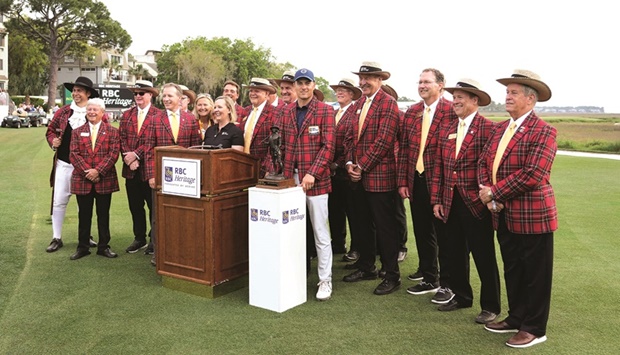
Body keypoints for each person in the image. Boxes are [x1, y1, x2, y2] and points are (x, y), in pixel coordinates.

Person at [478, 69, 557, 348]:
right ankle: (516, 317)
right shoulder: (500, 129)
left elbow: (533, 173)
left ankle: (535, 328)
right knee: (513, 269)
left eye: (513, 93)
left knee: (535, 274)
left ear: (530, 98)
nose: (507, 97)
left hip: (533, 215)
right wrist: (488, 192)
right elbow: (484, 163)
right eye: (507, 92)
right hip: (504, 212)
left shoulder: (544, 131)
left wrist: (493, 192)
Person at [428, 78, 501, 323]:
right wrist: (437, 199)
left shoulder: (489, 128)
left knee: (483, 255)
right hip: (449, 202)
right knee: (454, 253)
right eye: (454, 97)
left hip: (476, 203)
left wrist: (487, 194)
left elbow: (491, 167)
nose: (455, 101)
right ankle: (461, 297)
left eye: (460, 97)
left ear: (474, 101)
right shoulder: (447, 128)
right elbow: (439, 167)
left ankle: (490, 306)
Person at [342, 61, 402, 296]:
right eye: (361, 78)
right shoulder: (357, 105)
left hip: (379, 177)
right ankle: (367, 267)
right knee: (361, 225)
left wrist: (361, 166)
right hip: (357, 176)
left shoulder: (389, 104)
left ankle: (391, 275)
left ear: (380, 80)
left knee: (386, 229)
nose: (363, 82)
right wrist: (349, 163)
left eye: (369, 78)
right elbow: (348, 137)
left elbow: (384, 141)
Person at [397, 68, 456, 302]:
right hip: (416, 180)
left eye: (427, 82)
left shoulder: (451, 110)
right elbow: (404, 150)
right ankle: (430, 276)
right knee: (422, 231)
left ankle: (448, 284)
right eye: (420, 81)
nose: (422, 85)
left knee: (445, 235)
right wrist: (403, 180)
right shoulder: (412, 112)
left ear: (440, 85)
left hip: (440, 182)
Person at [279, 68, 335, 301]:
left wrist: (312, 173)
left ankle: (325, 280)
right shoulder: (287, 111)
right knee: (291, 231)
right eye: (299, 83)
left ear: (313, 86)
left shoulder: (325, 111)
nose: (302, 87)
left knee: (320, 233)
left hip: (316, 183)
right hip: (290, 181)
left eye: (306, 83)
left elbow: (328, 147)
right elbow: (281, 145)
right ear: (294, 86)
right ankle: (294, 276)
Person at [150, 82, 202, 266]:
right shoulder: (155, 119)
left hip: (185, 180)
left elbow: (196, 149)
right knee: (158, 218)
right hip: (161, 178)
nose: (165, 99)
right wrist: (151, 175)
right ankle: (158, 254)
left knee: (183, 216)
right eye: (164, 96)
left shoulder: (190, 119)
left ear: (180, 99)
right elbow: (149, 150)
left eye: (170, 96)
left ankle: (183, 253)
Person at [45, 76, 99, 253]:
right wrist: (54, 141)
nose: (75, 94)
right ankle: (56, 237)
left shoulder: (94, 111)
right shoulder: (63, 111)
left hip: (85, 166)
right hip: (64, 163)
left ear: (88, 94)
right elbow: (50, 131)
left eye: (79, 91)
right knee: (59, 201)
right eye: (74, 90)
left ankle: (86, 237)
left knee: (84, 204)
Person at [68, 98, 120, 260]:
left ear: (102, 112)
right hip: (83, 180)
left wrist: (98, 171)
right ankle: (83, 247)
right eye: (89, 109)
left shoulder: (112, 131)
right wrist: (87, 172)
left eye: (95, 110)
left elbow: (113, 154)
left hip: (104, 179)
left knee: (103, 215)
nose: (91, 112)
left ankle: (104, 247)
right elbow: (73, 154)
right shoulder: (76, 132)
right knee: (84, 215)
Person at [119, 80, 161, 255]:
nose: (138, 96)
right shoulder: (127, 114)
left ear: (150, 95)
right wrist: (129, 158)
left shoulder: (158, 115)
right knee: (135, 206)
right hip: (131, 169)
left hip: (150, 169)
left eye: (141, 93)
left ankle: (154, 239)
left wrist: (136, 154)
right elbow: (121, 139)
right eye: (135, 93)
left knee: (153, 206)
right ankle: (139, 237)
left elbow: (154, 141)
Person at [328, 78, 362, 259]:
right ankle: (338, 244)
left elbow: (350, 144)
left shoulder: (355, 113)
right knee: (335, 211)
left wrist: (339, 163)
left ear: (351, 94)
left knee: (353, 212)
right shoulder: (333, 112)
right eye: (338, 90)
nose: (339, 92)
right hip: (331, 173)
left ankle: (356, 247)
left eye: (344, 90)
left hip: (346, 171)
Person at [382, 84, 409, 264]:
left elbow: (402, 143)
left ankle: (401, 246)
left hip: (395, 168)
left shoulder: (399, 115)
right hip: (381, 170)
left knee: (397, 211)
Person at [240, 78, 277, 177]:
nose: (252, 93)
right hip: (242, 165)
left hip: (263, 169)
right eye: (251, 91)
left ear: (267, 94)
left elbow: (275, 144)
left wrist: (268, 169)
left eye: (257, 91)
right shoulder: (245, 111)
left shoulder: (274, 113)